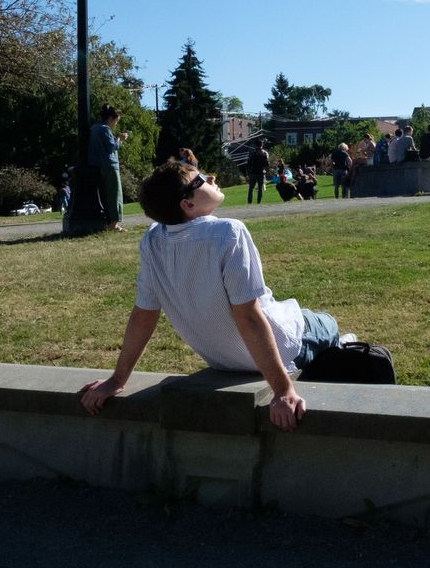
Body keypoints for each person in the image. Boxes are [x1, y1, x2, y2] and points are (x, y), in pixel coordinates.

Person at [81, 161, 341, 432]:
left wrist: (117, 380)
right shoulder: (228, 232)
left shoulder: (153, 241)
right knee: (327, 323)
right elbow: (249, 317)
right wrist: (283, 390)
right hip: (286, 344)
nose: (211, 178)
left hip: (223, 360)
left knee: (304, 316)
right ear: (188, 204)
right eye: (201, 179)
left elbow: (144, 315)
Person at [87, 104, 125, 231]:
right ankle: (114, 224)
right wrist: (120, 139)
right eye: (116, 121)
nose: (116, 124)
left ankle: (109, 222)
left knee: (104, 196)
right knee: (115, 195)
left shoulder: (94, 128)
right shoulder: (105, 129)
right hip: (110, 165)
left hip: (97, 166)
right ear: (110, 118)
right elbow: (111, 147)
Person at [244, 139, 271, 204]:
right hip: (261, 172)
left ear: (255, 145)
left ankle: (249, 201)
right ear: (262, 145)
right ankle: (259, 202)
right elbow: (267, 164)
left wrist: (248, 172)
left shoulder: (252, 153)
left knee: (251, 188)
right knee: (260, 188)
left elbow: (248, 163)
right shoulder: (265, 153)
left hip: (253, 172)